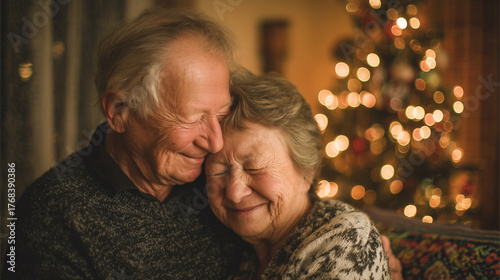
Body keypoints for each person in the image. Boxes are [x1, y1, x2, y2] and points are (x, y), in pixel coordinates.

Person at [3, 8, 242, 279]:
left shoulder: (223, 184)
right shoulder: (51, 213)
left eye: (221, 115)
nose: (215, 142)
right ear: (119, 111)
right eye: (192, 118)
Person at [205, 68, 391, 279]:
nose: (234, 192)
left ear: (306, 171)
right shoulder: (238, 250)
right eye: (219, 171)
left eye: (254, 168)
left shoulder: (346, 241)